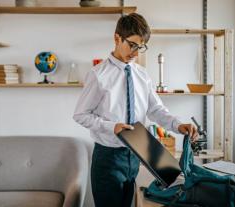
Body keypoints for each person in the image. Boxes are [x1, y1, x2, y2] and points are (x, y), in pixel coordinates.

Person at [73, 13, 199, 207]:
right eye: (132, 45)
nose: (136, 52)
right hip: (108, 157)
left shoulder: (142, 75)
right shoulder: (98, 75)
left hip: (137, 154)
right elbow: (80, 115)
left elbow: (156, 109)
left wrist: (177, 124)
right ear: (117, 38)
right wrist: (111, 126)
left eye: (141, 47)